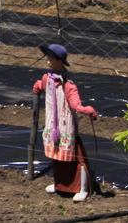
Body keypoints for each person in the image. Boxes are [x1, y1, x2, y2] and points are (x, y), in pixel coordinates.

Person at [32, 43, 98, 202]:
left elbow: (76, 106)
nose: (48, 62)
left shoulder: (68, 84)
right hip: (52, 126)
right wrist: (37, 87)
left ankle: (81, 189)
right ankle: (60, 184)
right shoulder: (47, 78)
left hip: (66, 127)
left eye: (51, 59)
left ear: (60, 61)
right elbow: (41, 86)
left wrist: (88, 110)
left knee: (76, 158)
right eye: (47, 59)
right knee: (58, 156)